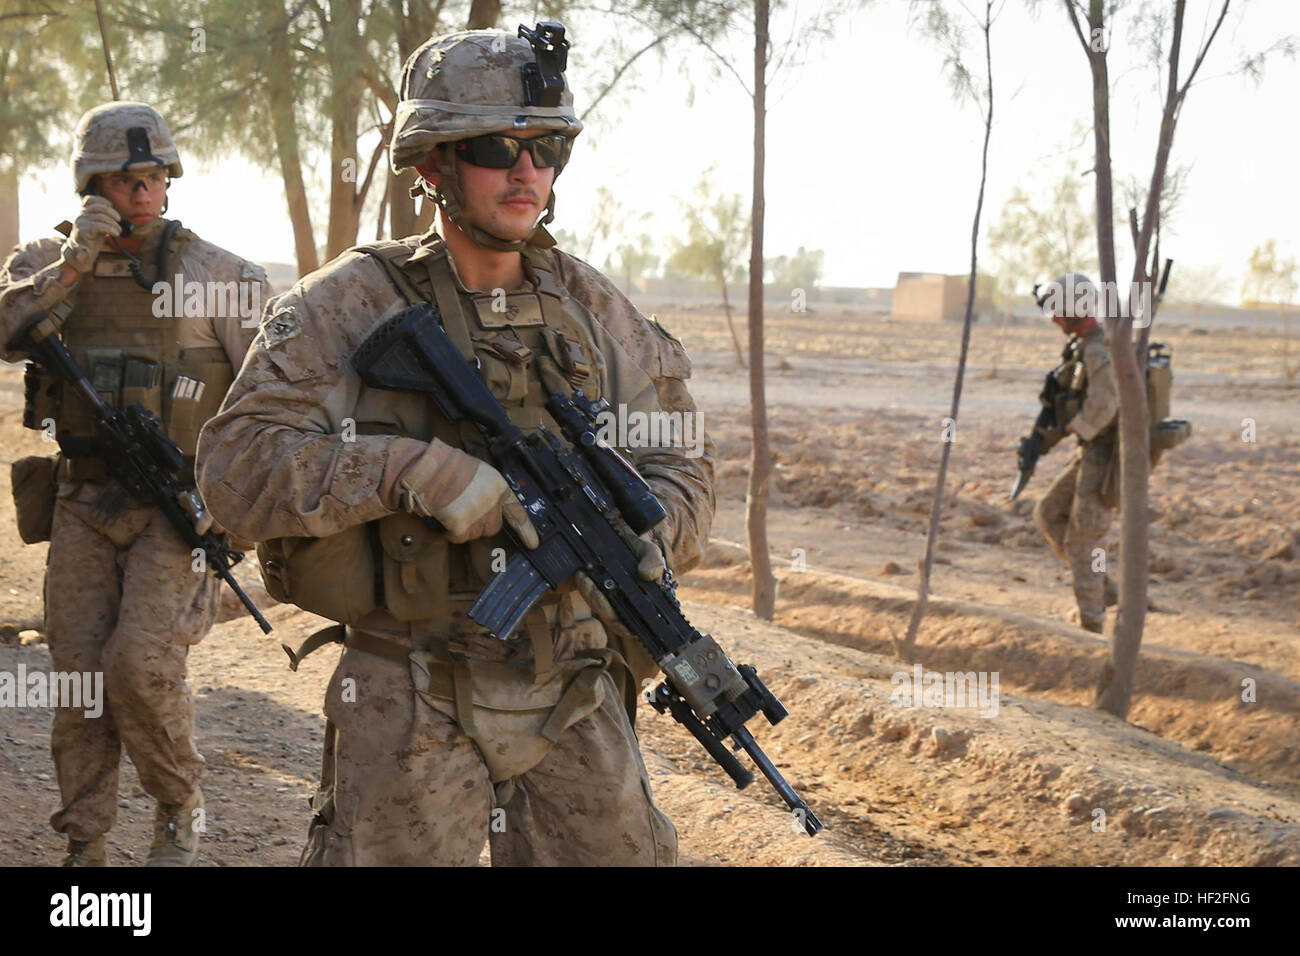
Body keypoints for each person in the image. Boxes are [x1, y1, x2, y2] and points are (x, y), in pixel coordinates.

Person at [195, 23, 715, 866]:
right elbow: (235, 471)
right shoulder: (345, 305)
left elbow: (682, 460)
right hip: (408, 682)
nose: (528, 172)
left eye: (548, 149)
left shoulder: (593, 307)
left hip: (573, 685)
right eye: (496, 146)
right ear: (433, 163)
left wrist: (656, 533)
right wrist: (413, 472)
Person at [0, 101, 269, 866]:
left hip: (176, 508)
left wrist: (236, 516)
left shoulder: (219, 275)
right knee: (81, 677)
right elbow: (4, 332)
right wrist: (72, 268)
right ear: (91, 185)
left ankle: (179, 804)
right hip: (84, 500)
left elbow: (272, 398)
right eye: (124, 180)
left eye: (154, 178)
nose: (143, 193)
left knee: (140, 668)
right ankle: (85, 842)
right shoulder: (44, 264)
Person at [1031, 272, 1120, 634]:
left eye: (1057, 311)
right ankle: (1104, 588)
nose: (1053, 319)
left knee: (1083, 540)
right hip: (1092, 449)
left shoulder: (1098, 350)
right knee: (1049, 513)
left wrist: (1068, 431)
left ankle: (1092, 624)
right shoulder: (1082, 346)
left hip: (1108, 454)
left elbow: (1105, 405)